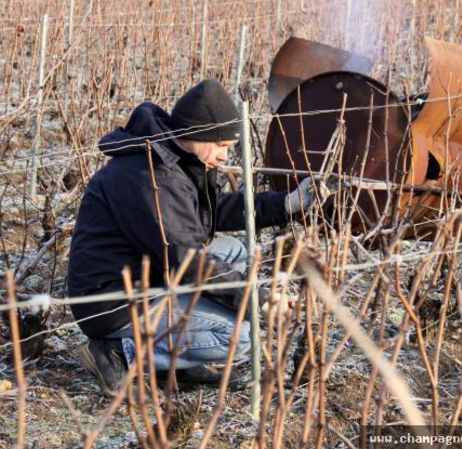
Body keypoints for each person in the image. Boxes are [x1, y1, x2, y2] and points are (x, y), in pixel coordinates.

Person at [68, 79, 328, 395]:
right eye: (221, 146)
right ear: (196, 133)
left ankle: (176, 363)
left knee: (232, 250)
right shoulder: (151, 177)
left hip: (146, 273)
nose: (224, 157)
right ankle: (116, 352)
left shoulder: (177, 158)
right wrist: (256, 303)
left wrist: (285, 204)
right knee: (239, 336)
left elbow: (213, 209)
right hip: (114, 302)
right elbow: (187, 260)